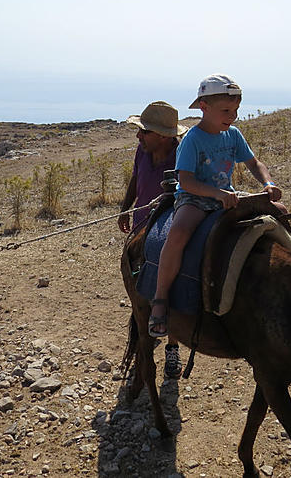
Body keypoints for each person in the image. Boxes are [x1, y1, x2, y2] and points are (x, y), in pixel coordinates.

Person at [149, 74, 285, 338]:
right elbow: (186, 181)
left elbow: (254, 163)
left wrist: (268, 183)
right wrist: (216, 193)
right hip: (195, 198)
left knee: (279, 214)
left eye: (235, 110)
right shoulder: (193, 139)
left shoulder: (233, 135)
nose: (232, 116)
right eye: (225, 110)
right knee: (177, 234)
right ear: (204, 107)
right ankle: (160, 298)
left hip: (227, 195)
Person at [119, 101, 187, 377]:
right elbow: (135, 180)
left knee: (168, 289)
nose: (139, 136)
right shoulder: (142, 151)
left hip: (167, 232)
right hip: (140, 228)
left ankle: (172, 347)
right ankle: (143, 351)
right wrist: (126, 206)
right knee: (138, 287)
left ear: (162, 136)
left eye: (144, 132)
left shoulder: (181, 157)